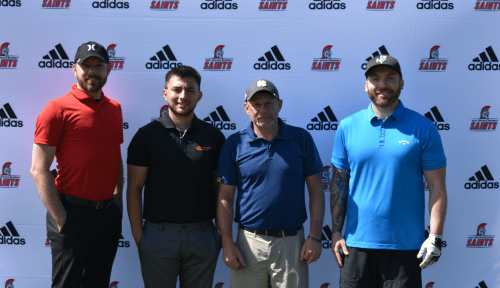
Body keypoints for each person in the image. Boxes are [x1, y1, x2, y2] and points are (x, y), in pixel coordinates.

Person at [330, 55, 447, 288]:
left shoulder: (423, 127)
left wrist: (434, 237)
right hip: (356, 245)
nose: (382, 85)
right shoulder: (347, 126)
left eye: (390, 78)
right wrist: (335, 232)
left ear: (401, 83)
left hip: (406, 248)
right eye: (375, 78)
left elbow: (437, 187)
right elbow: (339, 184)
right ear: (366, 85)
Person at [31, 41, 123, 288]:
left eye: (99, 65)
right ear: (74, 69)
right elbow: (39, 169)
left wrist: (117, 201)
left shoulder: (115, 108)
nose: (92, 70)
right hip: (71, 213)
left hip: (107, 216)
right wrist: (61, 218)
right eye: (86, 65)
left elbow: (115, 156)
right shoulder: (56, 109)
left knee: (98, 283)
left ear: (108, 70)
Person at [216, 79, 325, 288]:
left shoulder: (301, 138)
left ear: (280, 105)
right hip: (248, 243)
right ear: (246, 108)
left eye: (269, 103)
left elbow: (317, 191)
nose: (263, 110)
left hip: (292, 243)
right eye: (256, 105)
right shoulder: (234, 143)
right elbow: (225, 197)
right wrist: (228, 243)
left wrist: (315, 237)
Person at [126, 66, 226, 288]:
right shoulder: (146, 136)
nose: (183, 96)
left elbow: (221, 189)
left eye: (190, 90)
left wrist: (218, 234)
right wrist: (139, 236)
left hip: (202, 235)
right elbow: (134, 188)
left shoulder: (214, 137)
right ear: (165, 93)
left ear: (199, 95)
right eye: (177, 89)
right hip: (157, 236)